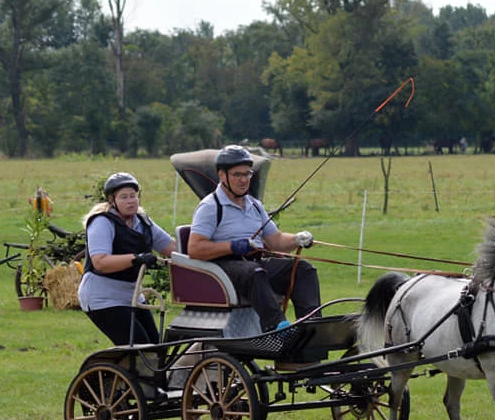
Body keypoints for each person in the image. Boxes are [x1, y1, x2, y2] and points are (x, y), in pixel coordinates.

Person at [187, 144, 320, 332]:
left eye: (247, 174)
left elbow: (276, 241)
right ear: (222, 175)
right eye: (237, 175)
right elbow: (195, 249)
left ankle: (311, 328)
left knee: (303, 269)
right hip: (223, 269)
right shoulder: (210, 207)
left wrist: (297, 239)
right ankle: (276, 327)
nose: (243, 180)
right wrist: (232, 246)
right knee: (255, 272)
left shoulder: (255, 205)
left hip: (254, 265)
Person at [77, 172, 176, 345]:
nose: (131, 201)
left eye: (133, 196)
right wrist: (136, 259)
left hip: (132, 294)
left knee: (156, 347)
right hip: (103, 298)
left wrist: (201, 249)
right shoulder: (102, 221)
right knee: (140, 348)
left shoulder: (143, 222)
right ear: (112, 201)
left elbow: (172, 248)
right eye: (124, 197)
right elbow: (100, 262)